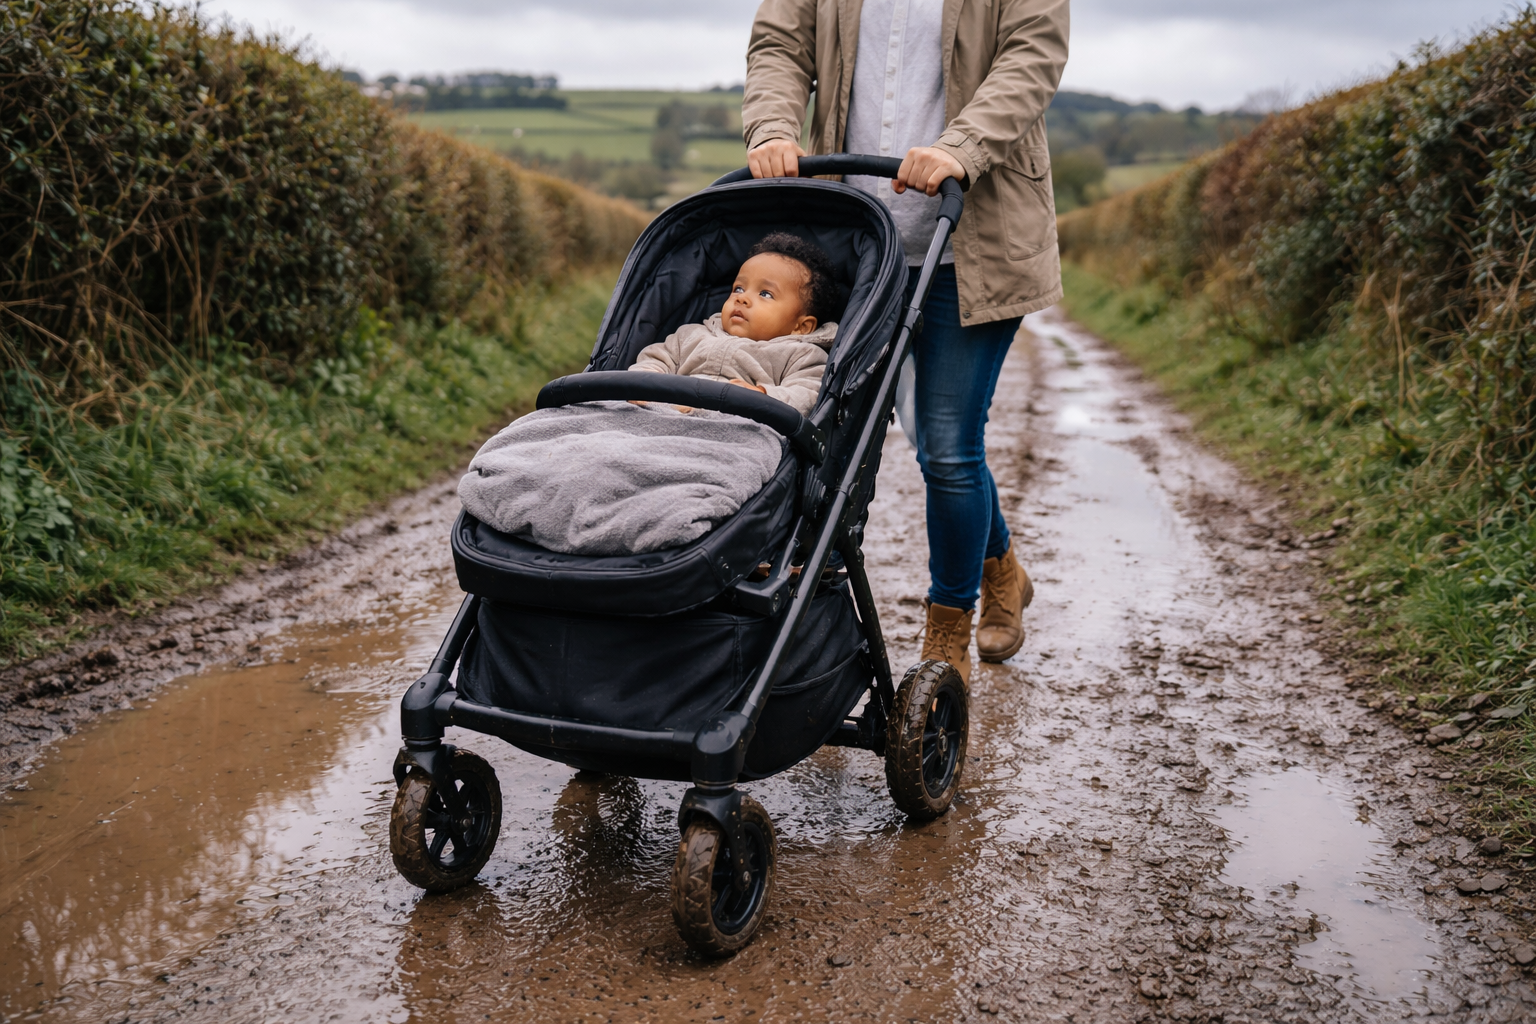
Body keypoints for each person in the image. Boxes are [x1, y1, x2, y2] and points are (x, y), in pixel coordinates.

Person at [743, 0, 1070, 682]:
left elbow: (1030, 58)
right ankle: (997, 569)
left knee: (947, 447)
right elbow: (780, 45)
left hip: (971, 244)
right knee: (832, 438)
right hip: (856, 248)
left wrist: (961, 146)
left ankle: (948, 627)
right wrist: (772, 127)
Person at [629, 232, 840, 416]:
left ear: (801, 327)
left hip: (737, 425)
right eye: (738, 288)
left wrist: (763, 396)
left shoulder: (801, 355)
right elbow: (656, 359)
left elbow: (808, 394)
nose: (742, 298)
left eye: (765, 293)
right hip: (666, 411)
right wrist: (648, 382)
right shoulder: (690, 335)